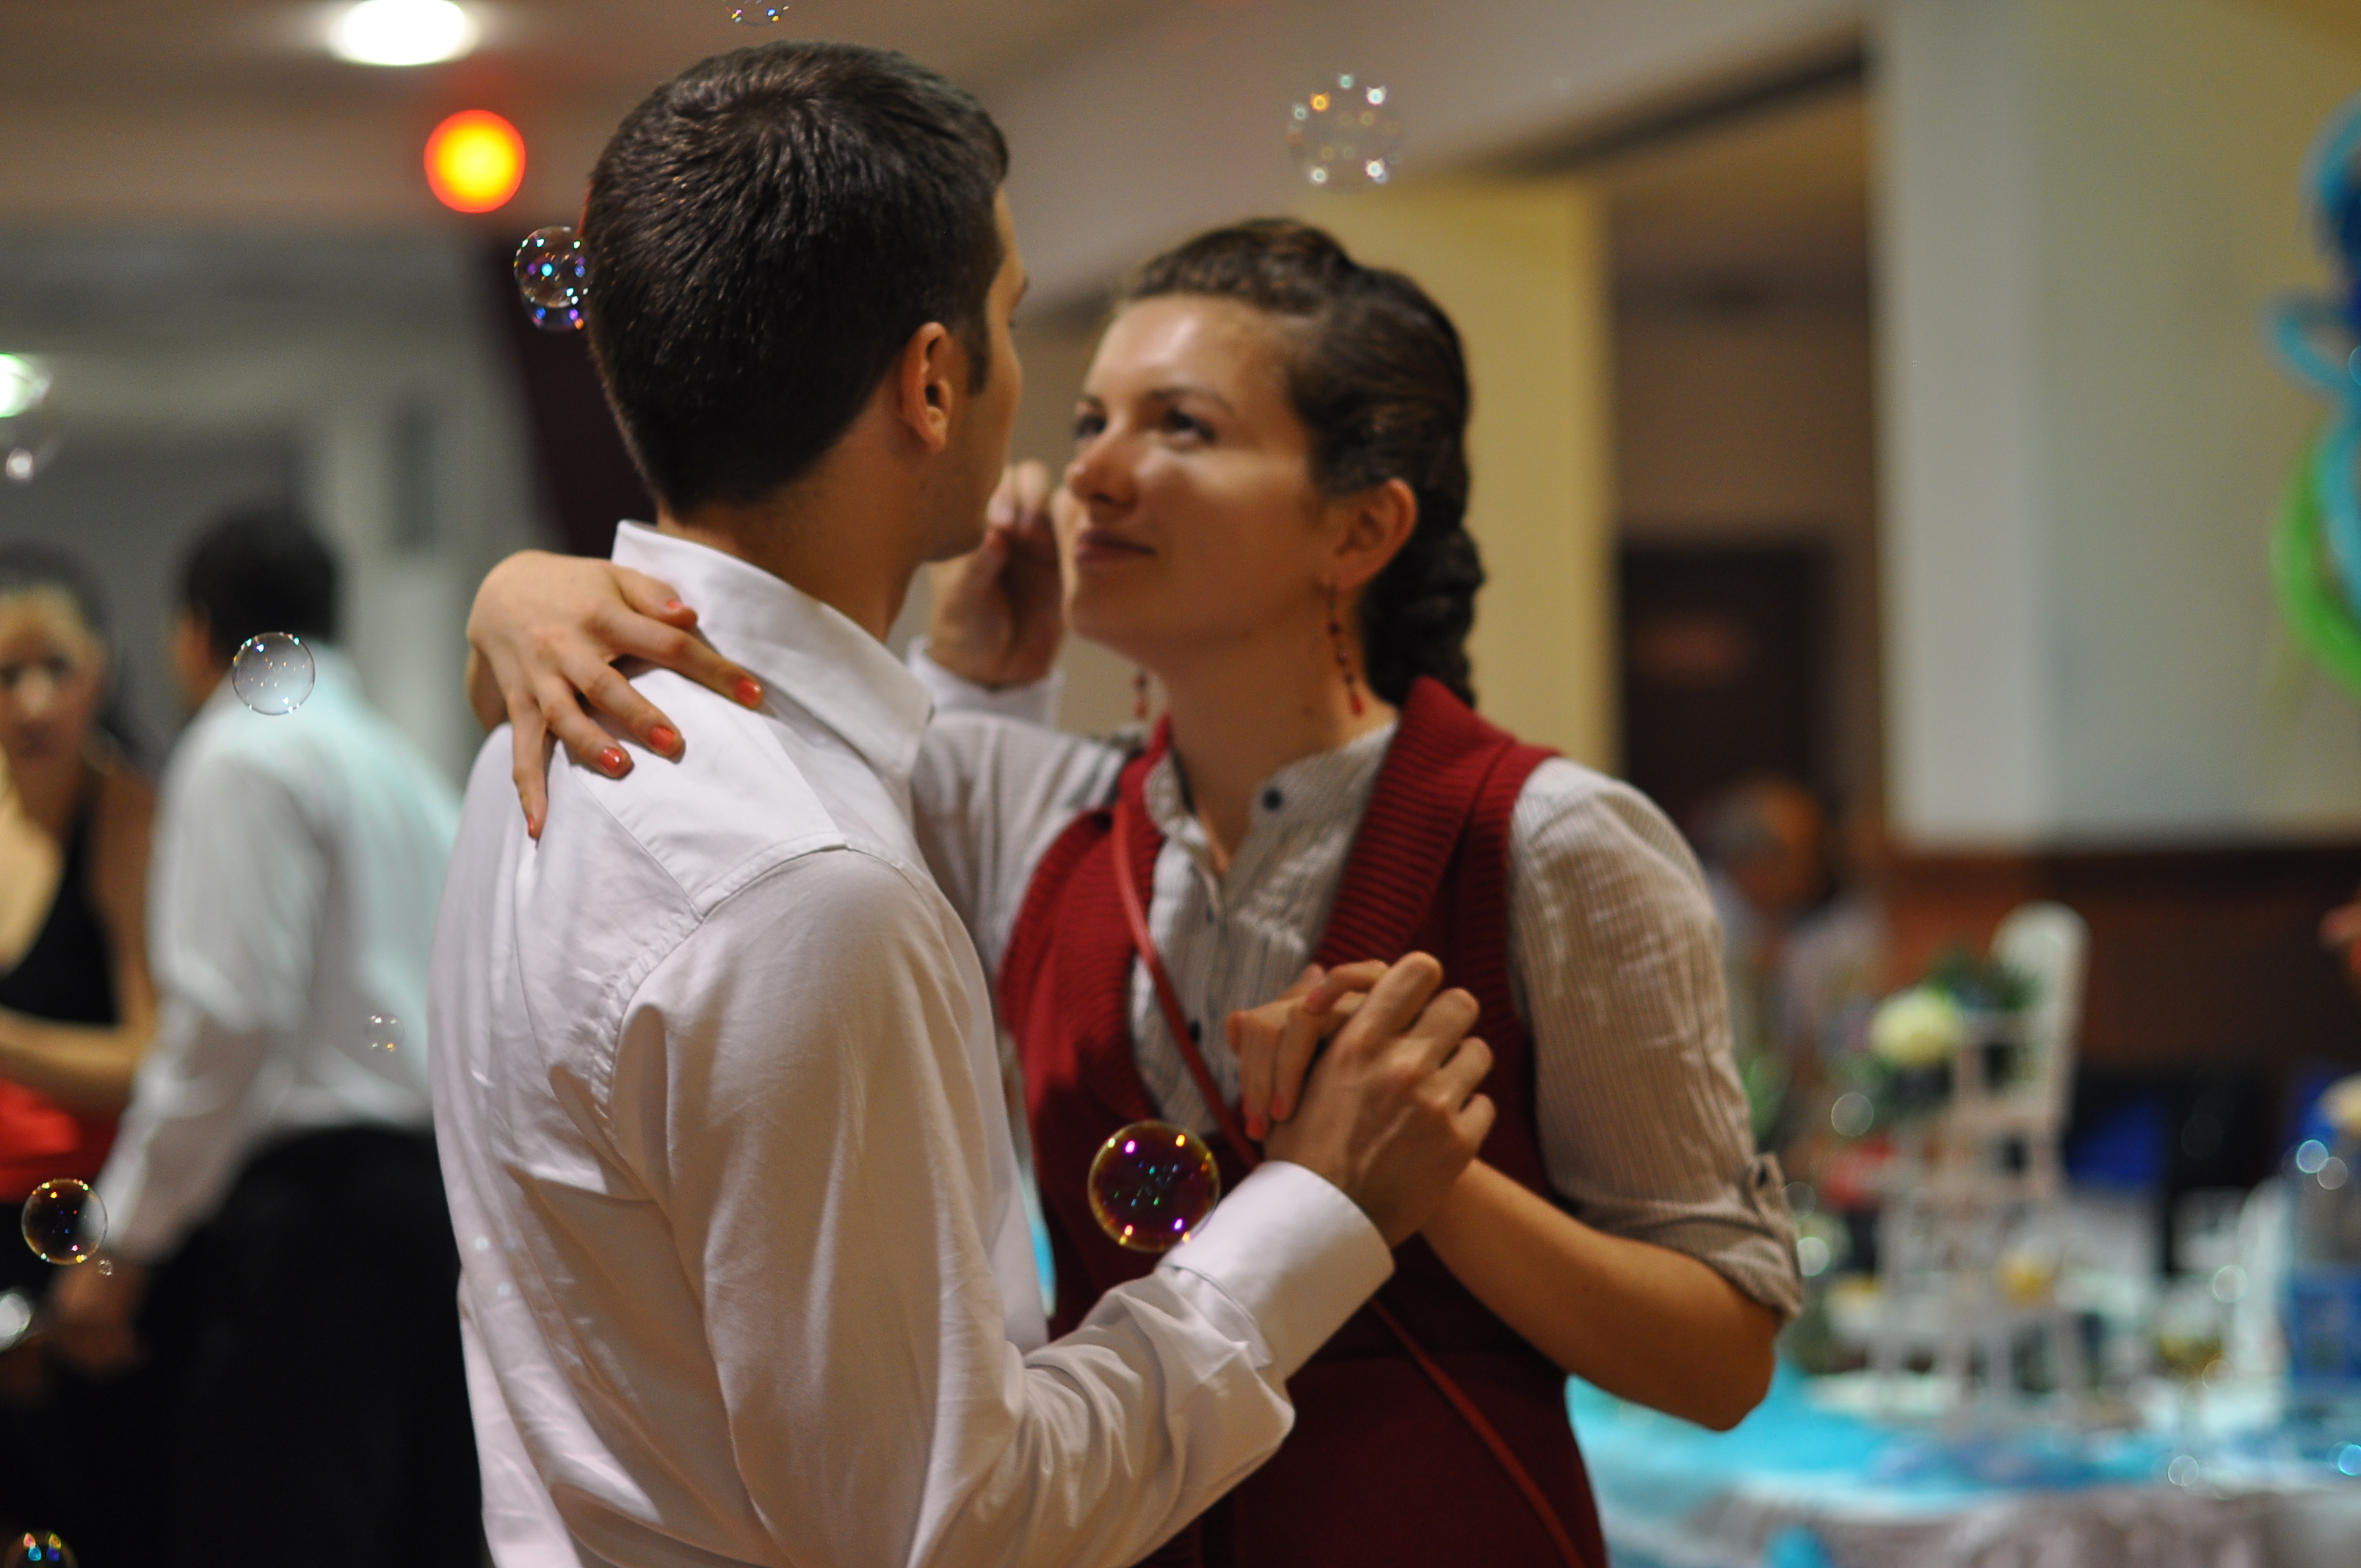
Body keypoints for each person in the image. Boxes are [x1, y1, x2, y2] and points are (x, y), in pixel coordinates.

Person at [469, 217, 1802, 1564]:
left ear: (1360, 526)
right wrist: (519, 595)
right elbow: (783, 777)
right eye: (1092, 420)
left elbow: (1724, 1351)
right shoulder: (1031, 807)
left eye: (1181, 427)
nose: (1094, 475)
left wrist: (1427, 1177)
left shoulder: (1552, 841)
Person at [432, 43, 1495, 1568]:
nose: (1091, 462)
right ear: (932, 382)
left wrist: (978, 697)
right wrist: (1318, 1207)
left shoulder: (540, 733)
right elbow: (954, 1525)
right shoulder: (804, 886)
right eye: (1010, 320)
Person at [48, 506, 476, 1567]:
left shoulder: (243, 748)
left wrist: (127, 1238)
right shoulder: (399, 765)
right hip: (433, 1201)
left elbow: (231, 1022)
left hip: (317, 1219)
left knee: (284, 1536)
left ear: (195, 635)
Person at [0, 545, 157, 1550]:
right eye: (5, 673)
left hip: (91, 1238)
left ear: (101, 670)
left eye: (56, 667)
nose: (33, 700)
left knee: (92, 1516)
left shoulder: (131, 817)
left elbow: (156, 1058)